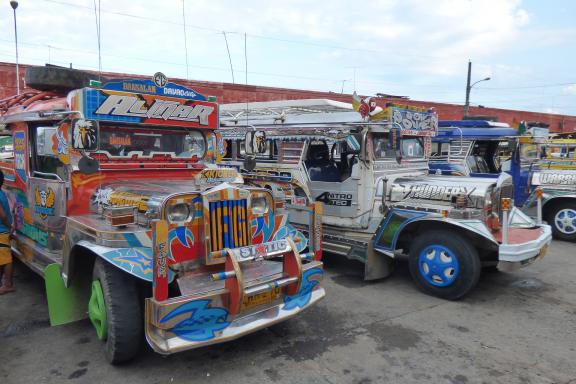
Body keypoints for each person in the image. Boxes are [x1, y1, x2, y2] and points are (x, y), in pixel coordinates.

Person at [0, 170, 14, 295]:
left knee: (6, 259)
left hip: (2, 231)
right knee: (2, 258)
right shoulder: (2, 193)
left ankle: (8, 284)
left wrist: (9, 227)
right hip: (3, 231)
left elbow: (3, 216)